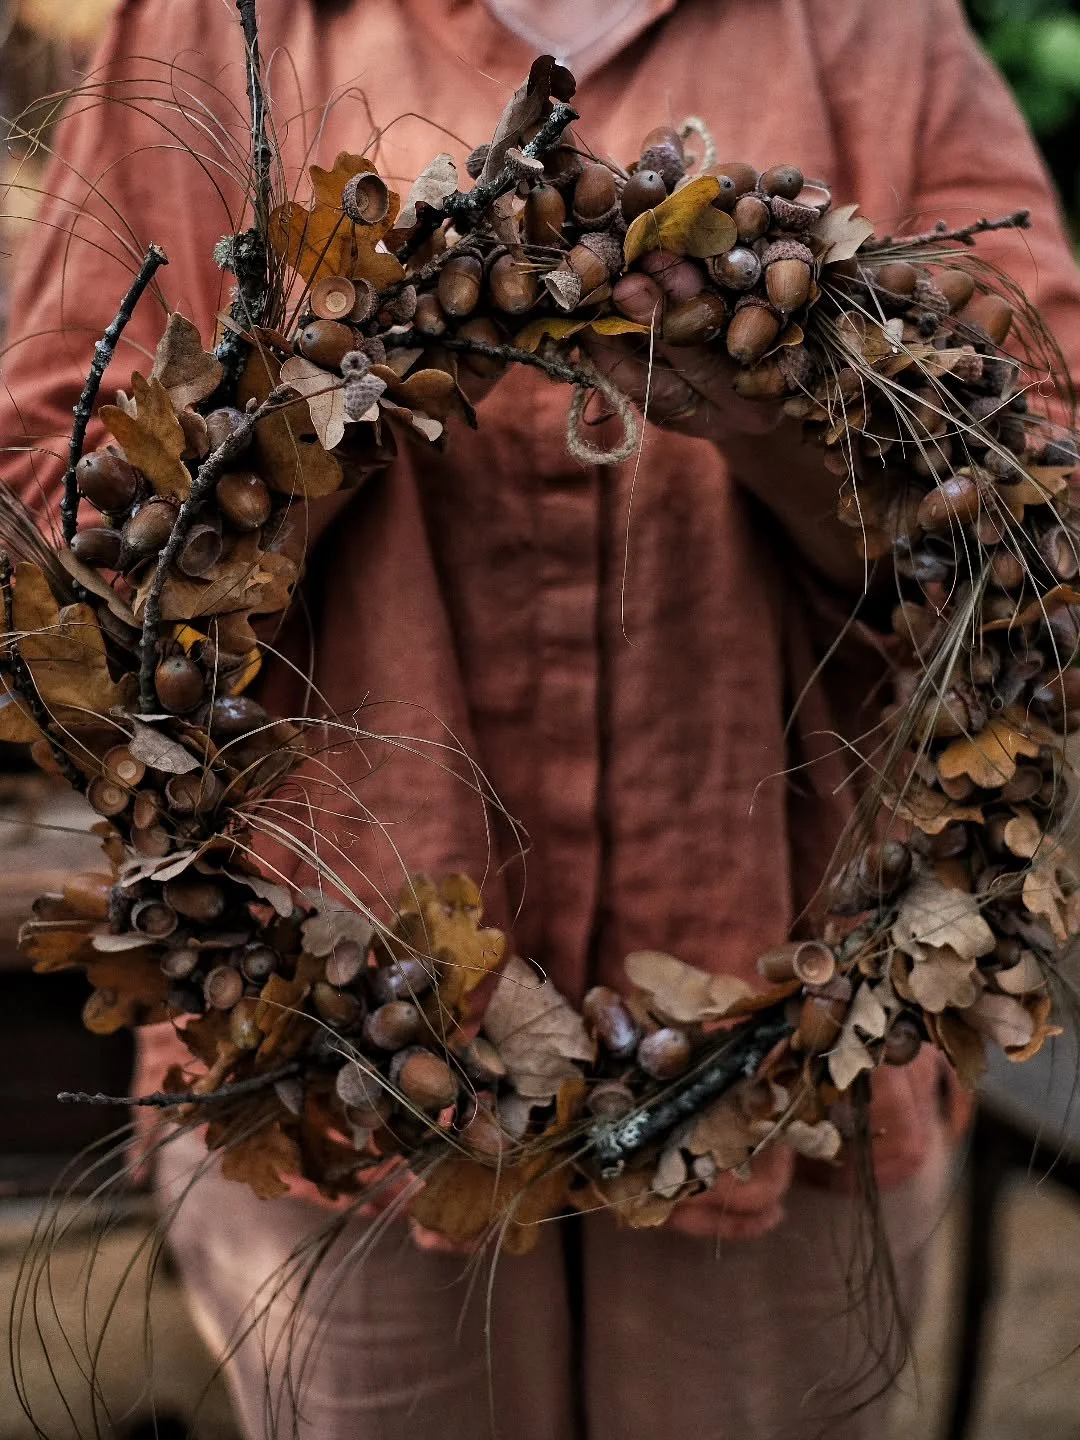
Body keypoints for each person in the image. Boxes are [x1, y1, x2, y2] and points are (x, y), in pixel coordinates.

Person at [3, 1, 1080, 1436]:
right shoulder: (223, 26)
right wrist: (308, 418)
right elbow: (45, 512)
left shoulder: (872, 31)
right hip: (333, 1055)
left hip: (788, 1055)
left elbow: (1042, 520)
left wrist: (791, 429)